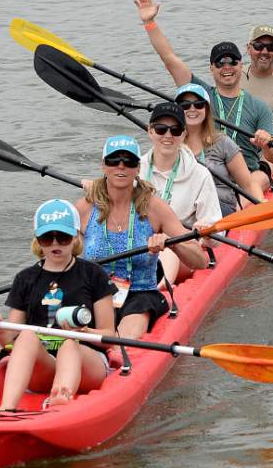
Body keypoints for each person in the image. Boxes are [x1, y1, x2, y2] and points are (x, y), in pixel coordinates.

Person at [133, 0, 273, 193]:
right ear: (211, 68)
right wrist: (150, 22)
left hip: (243, 176)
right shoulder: (198, 96)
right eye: (220, 62)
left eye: (233, 62)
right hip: (202, 170)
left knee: (257, 179)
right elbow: (169, 58)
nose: (227, 67)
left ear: (241, 65)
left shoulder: (258, 107)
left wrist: (266, 144)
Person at [0, 199, 116, 411]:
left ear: (75, 238)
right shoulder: (24, 279)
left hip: (86, 362)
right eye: (47, 238)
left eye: (62, 237)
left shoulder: (94, 274)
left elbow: (111, 337)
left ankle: (60, 400)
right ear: (38, 241)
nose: (54, 244)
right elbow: (12, 341)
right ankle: (7, 408)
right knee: (26, 335)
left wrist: (84, 331)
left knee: (69, 342)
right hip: (44, 364)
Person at [77, 134, 208, 340]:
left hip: (139, 295)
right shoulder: (84, 208)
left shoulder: (154, 208)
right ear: (104, 165)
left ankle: (107, 349)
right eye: (114, 160)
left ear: (138, 168)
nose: (121, 166)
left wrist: (171, 244)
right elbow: (60, 257)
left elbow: (201, 261)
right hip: (95, 294)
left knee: (125, 336)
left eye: (128, 161)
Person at [138, 101, 222, 282]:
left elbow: (217, 237)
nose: (168, 135)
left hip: (182, 250)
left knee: (168, 246)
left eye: (175, 130)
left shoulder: (200, 175)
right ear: (150, 131)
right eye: (161, 129)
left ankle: (159, 289)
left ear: (184, 134)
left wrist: (207, 233)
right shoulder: (133, 169)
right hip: (139, 245)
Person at [174, 82, 266, 213]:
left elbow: (248, 184)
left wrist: (262, 207)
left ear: (206, 109)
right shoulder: (171, 145)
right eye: (185, 105)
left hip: (221, 209)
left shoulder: (222, 142)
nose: (192, 109)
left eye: (199, 104)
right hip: (186, 210)